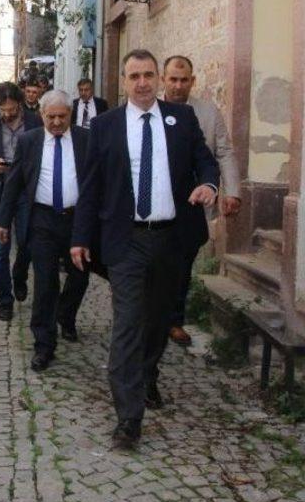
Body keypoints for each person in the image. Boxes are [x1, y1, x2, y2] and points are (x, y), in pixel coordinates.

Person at [71, 49, 219, 450]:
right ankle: (128, 420)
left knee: (158, 322)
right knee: (128, 325)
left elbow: (206, 162)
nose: (142, 83)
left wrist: (209, 184)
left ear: (158, 78)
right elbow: (91, 188)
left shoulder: (181, 119)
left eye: (148, 75)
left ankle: (148, 374)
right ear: (124, 81)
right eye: (134, 75)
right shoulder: (104, 126)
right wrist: (80, 238)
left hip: (172, 239)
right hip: (127, 241)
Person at [0, 90, 91, 371]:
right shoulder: (30, 141)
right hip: (43, 220)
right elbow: (13, 183)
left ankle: (66, 314)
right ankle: (43, 344)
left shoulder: (86, 140)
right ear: (41, 115)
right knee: (45, 281)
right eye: (51, 117)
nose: (57, 122)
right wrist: (3, 220)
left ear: (70, 116)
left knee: (80, 277)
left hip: (77, 220)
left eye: (63, 116)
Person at [162, 55, 241, 346]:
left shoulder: (207, 112)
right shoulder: (151, 109)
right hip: (156, 203)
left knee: (183, 264)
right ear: (163, 79)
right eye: (173, 79)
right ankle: (150, 314)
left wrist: (231, 190)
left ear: (192, 81)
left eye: (184, 80)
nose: (178, 85)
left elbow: (224, 151)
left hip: (193, 205)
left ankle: (175, 320)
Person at [0, 82, 42, 321]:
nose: (7, 114)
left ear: (20, 103)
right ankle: (5, 300)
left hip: (26, 192)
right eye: (2, 109)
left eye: (12, 109)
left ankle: (20, 275)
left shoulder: (36, 122)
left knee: (26, 242)